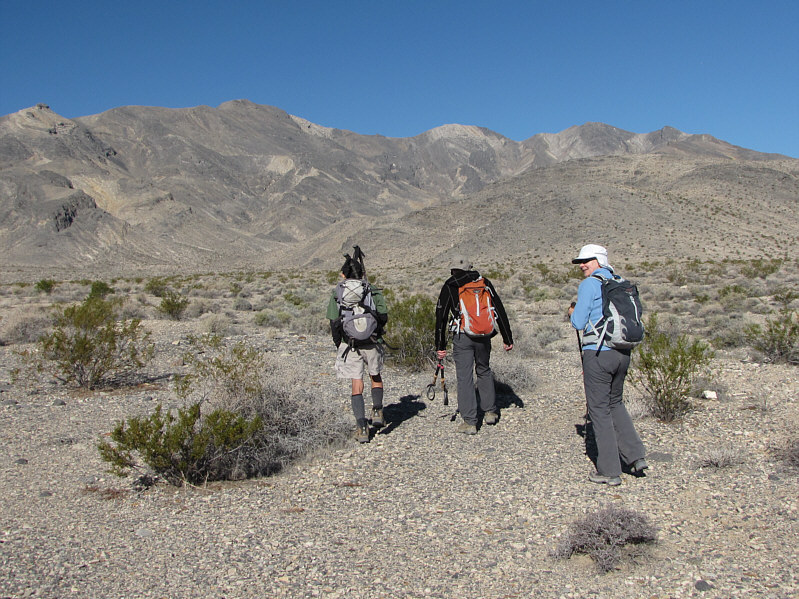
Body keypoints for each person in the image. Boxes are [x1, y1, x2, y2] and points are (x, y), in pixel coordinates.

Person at [568, 244, 647, 486]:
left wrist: (572, 311)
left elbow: (578, 322)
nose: (583, 265)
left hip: (598, 353)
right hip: (622, 353)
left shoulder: (590, 284)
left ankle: (610, 470)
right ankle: (635, 457)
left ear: (599, 260)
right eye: (581, 261)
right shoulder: (621, 282)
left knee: (599, 409)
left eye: (587, 260)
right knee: (616, 403)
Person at [435, 255, 513, 434]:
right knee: (484, 370)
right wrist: (507, 338)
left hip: (463, 336)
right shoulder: (484, 282)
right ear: (470, 268)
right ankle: (490, 412)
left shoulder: (451, 285)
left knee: (465, 377)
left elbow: (441, 317)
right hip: (484, 335)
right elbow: (499, 309)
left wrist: (440, 346)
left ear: (453, 270)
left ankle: (470, 421)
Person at [326, 247, 388, 443]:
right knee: (375, 375)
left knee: (356, 382)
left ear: (344, 274)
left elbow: (334, 321)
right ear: (362, 274)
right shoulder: (372, 290)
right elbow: (383, 316)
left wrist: (340, 343)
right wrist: (375, 331)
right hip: (372, 341)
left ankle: (362, 427)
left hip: (350, 343)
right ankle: (377, 412)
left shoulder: (338, 292)